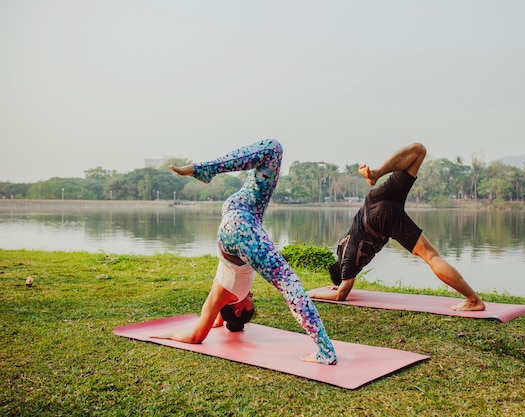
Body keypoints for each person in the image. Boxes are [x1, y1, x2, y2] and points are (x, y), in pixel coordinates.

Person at [154, 139, 338, 365]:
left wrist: (167, 335)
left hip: (241, 224)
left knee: (287, 280)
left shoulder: (224, 297)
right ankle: (204, 169)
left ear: (239, 310)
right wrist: (218, 319)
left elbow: (196, 336)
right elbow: (215, 321)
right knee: (273, 150)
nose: (252, 297)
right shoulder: (221, 300)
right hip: (245, 217)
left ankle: (325, 351)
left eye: (250, 305)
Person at [308, 143, 485, 312]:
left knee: (431, 257)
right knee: (418, 150)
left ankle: (473, 300)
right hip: (374, 201)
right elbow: (341, 282)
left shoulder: (348, 263)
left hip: (380, 218)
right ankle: (376, 174)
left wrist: (312, 293)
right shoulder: (342, 249)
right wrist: (336, 284)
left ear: (343, 272)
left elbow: (341, 294)